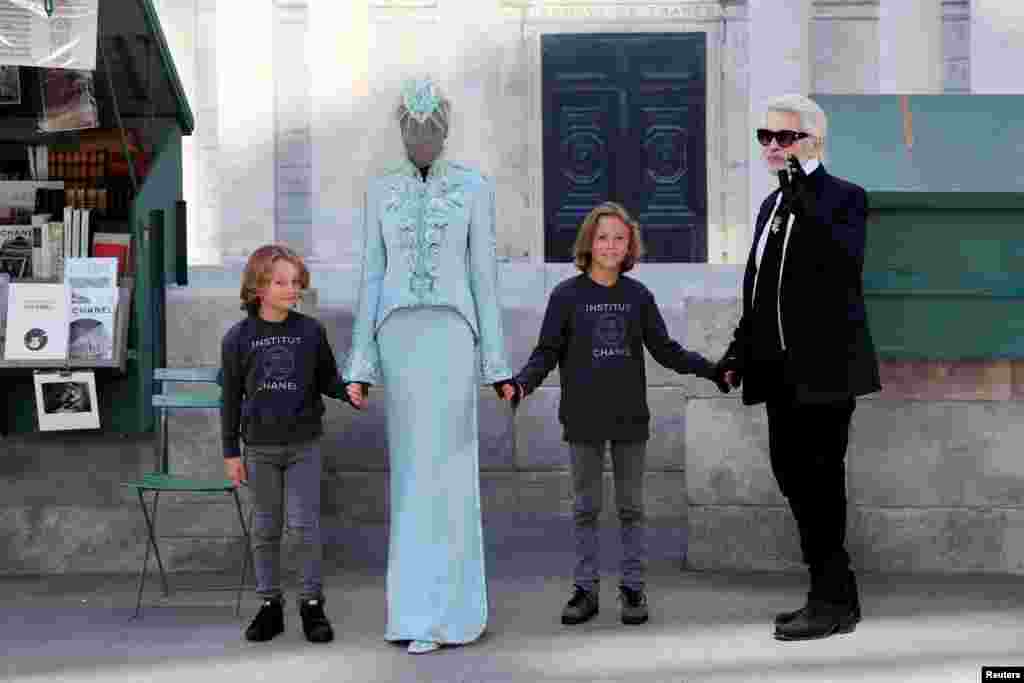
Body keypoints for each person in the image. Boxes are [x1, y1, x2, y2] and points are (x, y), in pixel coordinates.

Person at [343, 76, 517, 655]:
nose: (422, 139)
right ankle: (414, 613)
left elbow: (484, 279)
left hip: (450, 335)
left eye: (432, 130)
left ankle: (454, 614)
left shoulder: (474, 188)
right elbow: (370, 274)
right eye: (413, 130)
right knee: (412, 477)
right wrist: (359, 363)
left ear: (445, 131)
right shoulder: (379, 190)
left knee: (450, 474)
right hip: (398, 336)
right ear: (400, 131)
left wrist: (497, 364)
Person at [512, 201, 730, 627]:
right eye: (603, 237)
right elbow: (546, 352)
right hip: (583, 417)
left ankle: (633, 587)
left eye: (619, 238)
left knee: (631, 507)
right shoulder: (566, 296)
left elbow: (666, 351)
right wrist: (521, 383)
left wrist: (712, 369)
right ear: (589, 244)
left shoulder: (637, 297)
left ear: (629, 245)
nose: (610, 245)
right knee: (586, 507)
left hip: (629, 417)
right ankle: (585, 589)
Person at [718, 94, 881, 641]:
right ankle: (837, 593)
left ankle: (829, 601)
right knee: (793, 477)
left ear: (813, 141)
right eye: (764, 136)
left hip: (826, 373)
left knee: (819, 484)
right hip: (779, 373)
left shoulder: (844, 199)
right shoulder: (771, 207)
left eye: (783, 137)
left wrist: (798, 187)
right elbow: (762, 292)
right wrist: (739, 351)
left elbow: (841, 265)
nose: (771, 146)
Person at [220, 244, 352, 644]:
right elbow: (229, 398)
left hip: (304, 444)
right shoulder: (238, 338)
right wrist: (230, 452)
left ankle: (312, 606)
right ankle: (269, 606)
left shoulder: (310, 332)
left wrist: (351, 393)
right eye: (280, 282)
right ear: (258, 286)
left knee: (304, 527)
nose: (290, 289)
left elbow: (328, 380)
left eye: (295, 282)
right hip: (259, 448)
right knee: (265, 527)